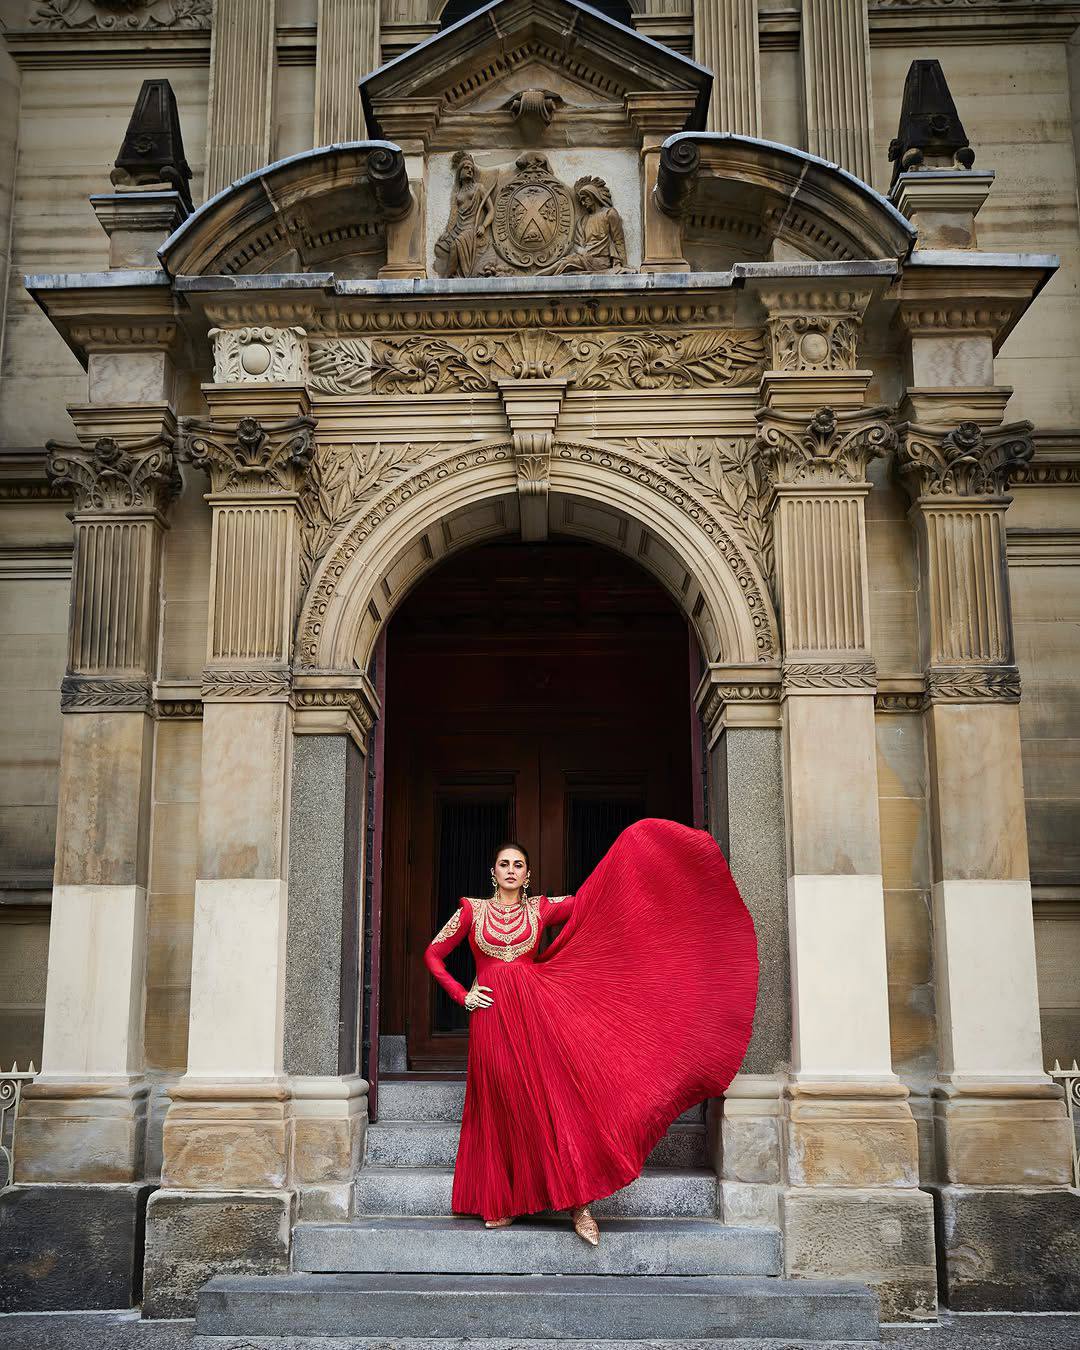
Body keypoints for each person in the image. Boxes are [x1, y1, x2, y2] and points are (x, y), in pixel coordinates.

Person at [423, 817, 759, 1244]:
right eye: (504, 864)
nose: (511, 870)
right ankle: (503, 1202)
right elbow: (433, 955)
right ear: (493, 872)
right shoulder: (471, 911)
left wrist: (634, 860)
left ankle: (579, 1207)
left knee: (551, 1103)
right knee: (503, 1101)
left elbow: (592, 902)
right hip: (491, 1017)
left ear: (528, 874)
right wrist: (461, 995)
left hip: (538, 1017)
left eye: (519, 864)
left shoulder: (541, 908)